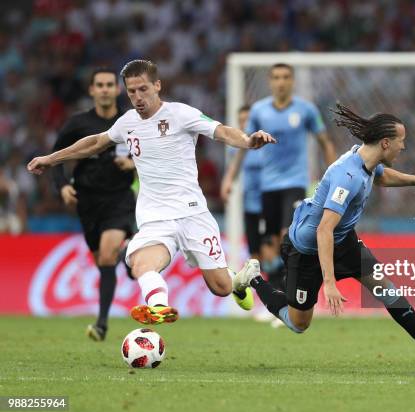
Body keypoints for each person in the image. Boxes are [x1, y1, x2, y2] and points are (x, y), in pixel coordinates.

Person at [28, 59, 276, 325]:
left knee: (221, 287)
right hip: (155, 217)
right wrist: (52, 159)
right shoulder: (127, 123)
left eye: (143, 89)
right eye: (131, 91)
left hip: (192, 214)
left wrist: (248, 141)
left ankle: (238, 281)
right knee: (140, 264)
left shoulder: (181, 114)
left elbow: (222, 131)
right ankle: (158, 307)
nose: (137, 97)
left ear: (157, 85)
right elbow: (96, 143)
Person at [232, 103, 415, 369]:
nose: (404, 147)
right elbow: (323, 230)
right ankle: (254, 278)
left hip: (342, 241)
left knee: (385, 288)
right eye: (402, 141)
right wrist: (329, 281)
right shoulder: (348, 175)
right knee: (298, 324)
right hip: (307, 249)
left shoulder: (366, 159)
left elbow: (382, 176)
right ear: (386, 143)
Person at [51, 68, 135, 341]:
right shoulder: (78, 124)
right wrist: (62, 185)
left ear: (117, 89)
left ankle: (101, 324)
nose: (105, 89)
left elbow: (154, 154)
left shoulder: (130, 121)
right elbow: (56, 157)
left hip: (119, 198)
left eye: (110, 84)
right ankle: (127, 255)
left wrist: (133, 163)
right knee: (102, 261)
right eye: (99, 85)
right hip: (87, 202)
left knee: (108, 255)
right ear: (91, 90)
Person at [245, 63, 336, 283]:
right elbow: (246, 143)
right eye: (276, 77)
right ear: (270, 81)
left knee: (289, 234)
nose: (281, 82)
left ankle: (292, 291)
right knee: (269, 243)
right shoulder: (258, 111)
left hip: (295, 182)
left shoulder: (306, 110)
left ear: (292, 81)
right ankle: (278, 295)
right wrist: (231, 176)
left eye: (286, 77)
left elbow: (324, 141)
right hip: (267, 185)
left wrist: (334, 177)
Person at [221, 104, 263, 260]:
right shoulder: (236, 149)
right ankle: (262, 283)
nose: (245, 124)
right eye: (241, 121)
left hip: (268, 202)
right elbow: (234, 169)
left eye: (248, 120)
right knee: (254, 253)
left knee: (270, 250)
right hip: (249, 204)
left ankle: (277, 280)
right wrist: (228, 182)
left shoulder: (265, 145)